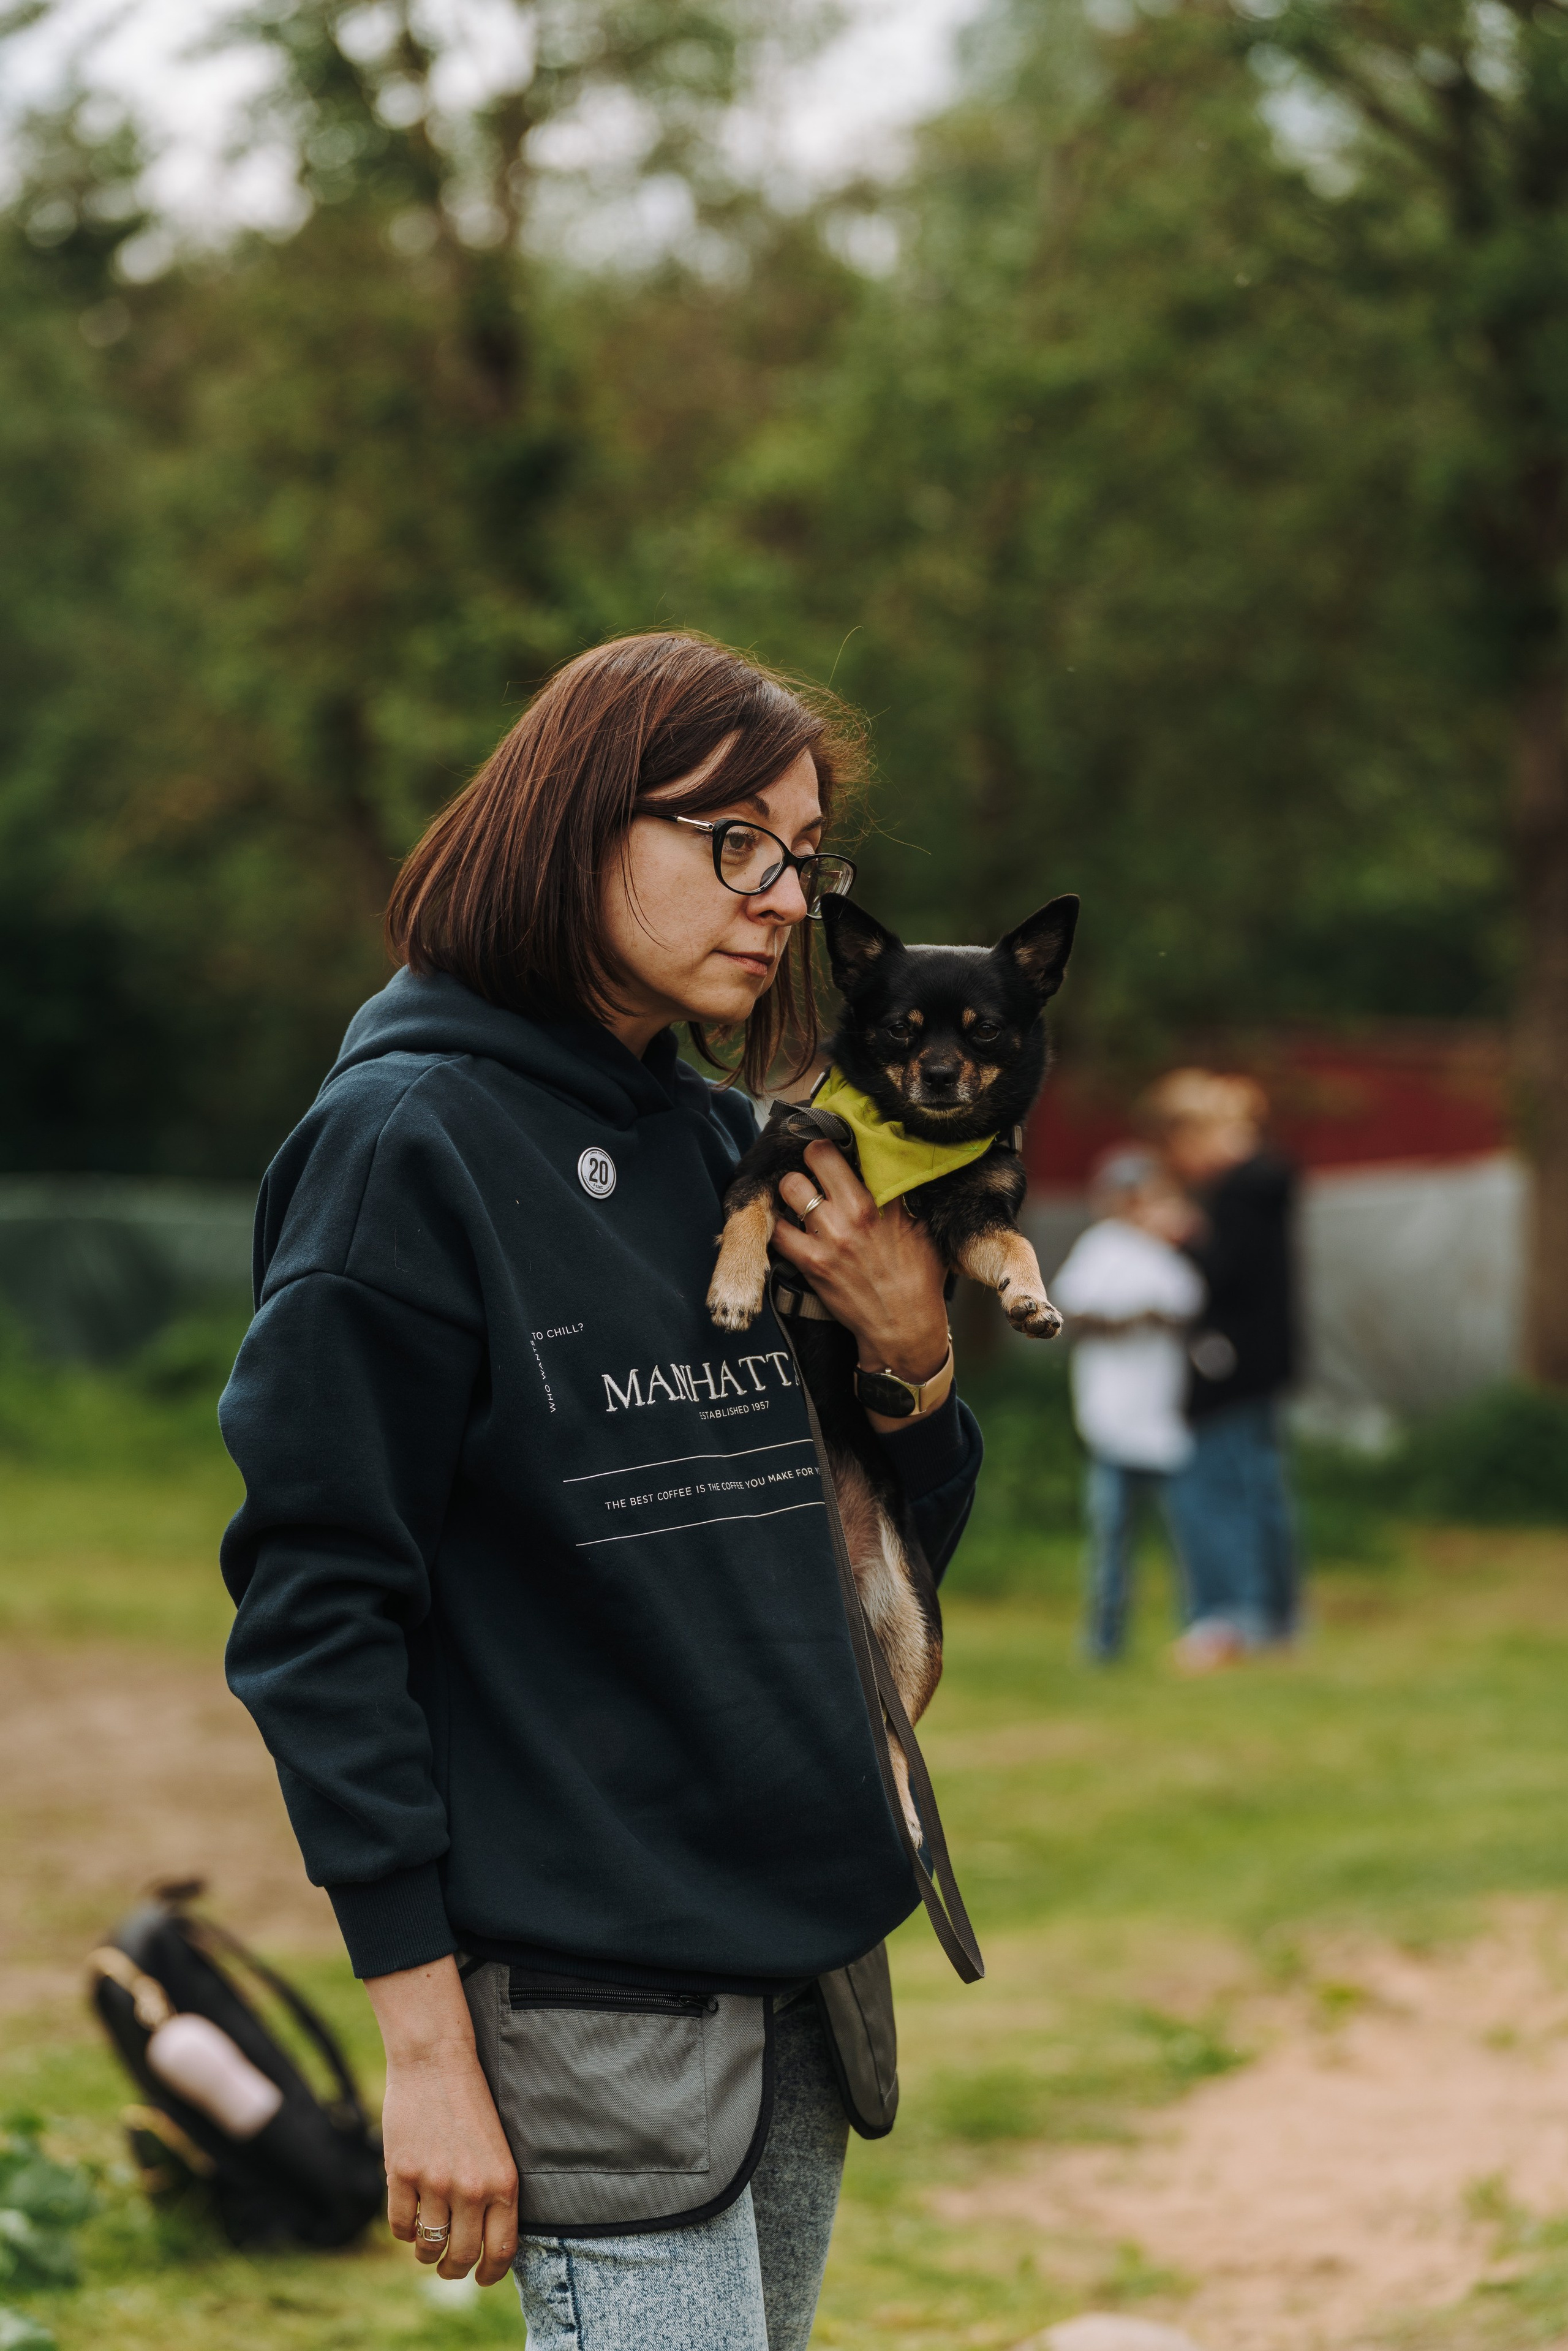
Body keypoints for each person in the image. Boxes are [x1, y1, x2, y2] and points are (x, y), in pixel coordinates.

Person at [217, 633, 984, 2349]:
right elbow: (316, 1614)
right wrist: (423, 2047)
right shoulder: (404, 1146)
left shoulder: (734, 1158)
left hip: (800, 1971)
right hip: (593, 1995)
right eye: (734, 841)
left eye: (804, 855)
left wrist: (914, 1363)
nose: (785, 896)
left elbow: (861, 1566)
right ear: (578, 823)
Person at [1139, 1069, 1300, 1664]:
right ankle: (1274, 1620)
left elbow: (1225, 1276)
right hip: (1260, 1363)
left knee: (1209, 1490)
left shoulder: (1240, 1190)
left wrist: (1181, 1235)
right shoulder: (1266, 1183)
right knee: (1260, 1493)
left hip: (1225, 1366)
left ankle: (1228, 1620)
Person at [1051, 1150, 1205, 1661]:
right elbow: (1069, 1306)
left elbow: (1187, 1305)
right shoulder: (1103, 1248)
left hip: (1162, 1421)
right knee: (1112, 1539)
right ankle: (1105, 1640)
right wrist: (1128, 1316)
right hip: (1111, 1419)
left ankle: (1197, 1628)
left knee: (1185, 1537)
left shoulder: (1166, 1257)